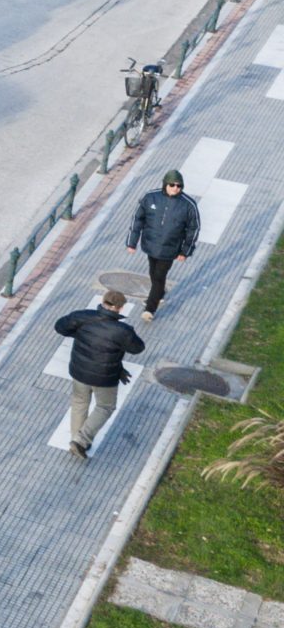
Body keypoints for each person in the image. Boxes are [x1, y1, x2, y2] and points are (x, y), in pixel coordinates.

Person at [56, 288, 146, 460]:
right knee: (105, 407)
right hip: (104, 377)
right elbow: (137, 348)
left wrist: (79, 335)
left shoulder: (82, 317)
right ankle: (81, 441)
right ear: (120, 308)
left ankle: (77, 439)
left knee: (79, 402)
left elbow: (60, 326)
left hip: (79, 370)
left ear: (103, 301)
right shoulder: (123, 330)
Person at [127, 171, 201, 321]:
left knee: (159, 276)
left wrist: (185, 251)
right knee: (153, 273)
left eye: (179, 186)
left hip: (170, 249)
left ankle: (150, 309)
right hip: (150, 245)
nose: (175, 188)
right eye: (172, 185)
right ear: (165, 184)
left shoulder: (188, 205)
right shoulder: (150, 197)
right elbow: (137, 219)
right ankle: (159, 293)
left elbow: (193, 229)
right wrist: (131, 242)